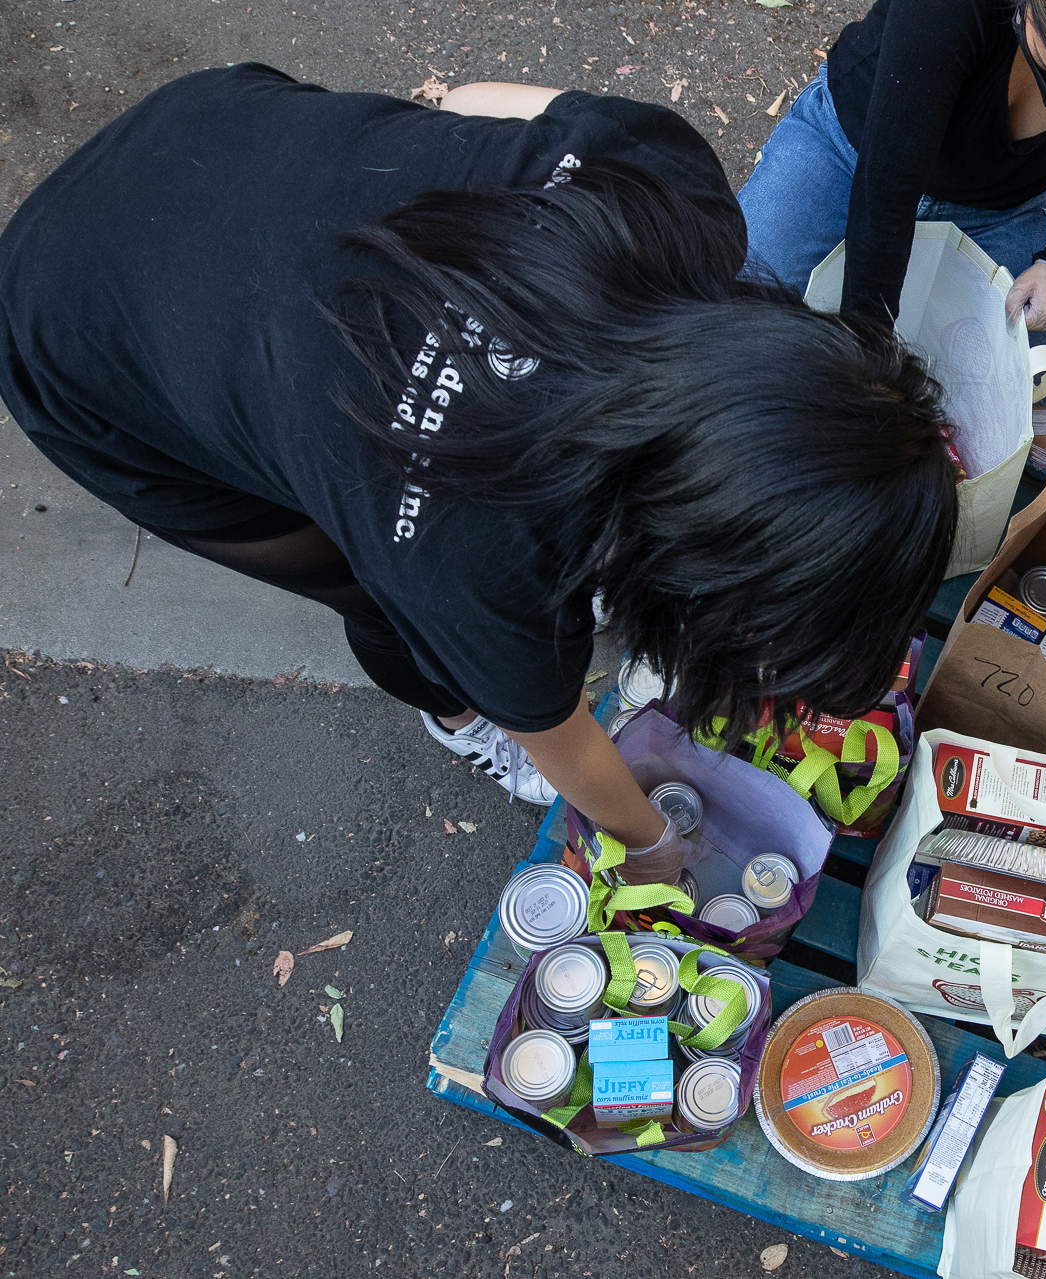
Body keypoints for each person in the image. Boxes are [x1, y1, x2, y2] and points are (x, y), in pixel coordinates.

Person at [0, 65, 958, 878]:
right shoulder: (478, 556)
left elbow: (477, 99)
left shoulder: (674, 190)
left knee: (365, 501)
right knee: (371, 586)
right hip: (73, 326)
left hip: (207, 126)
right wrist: (653, 840)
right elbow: (554, 723)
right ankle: (458, 721)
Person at [736, 0, 1046, 450]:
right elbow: (888, 187)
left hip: (1004, 208)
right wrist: (869, 356)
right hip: (851, 150)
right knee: (718, 312)